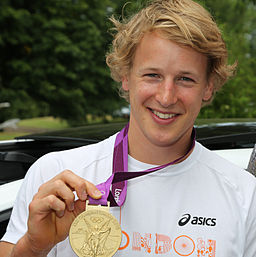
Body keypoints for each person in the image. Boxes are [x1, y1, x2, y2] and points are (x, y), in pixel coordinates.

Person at [1, 0, 256, 256]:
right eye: (152, 75)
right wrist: (34, 247)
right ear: (126, 75)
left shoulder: (245, 195)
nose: (166, 97)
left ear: (209, 86)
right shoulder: (56, 176)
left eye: (185, 79)